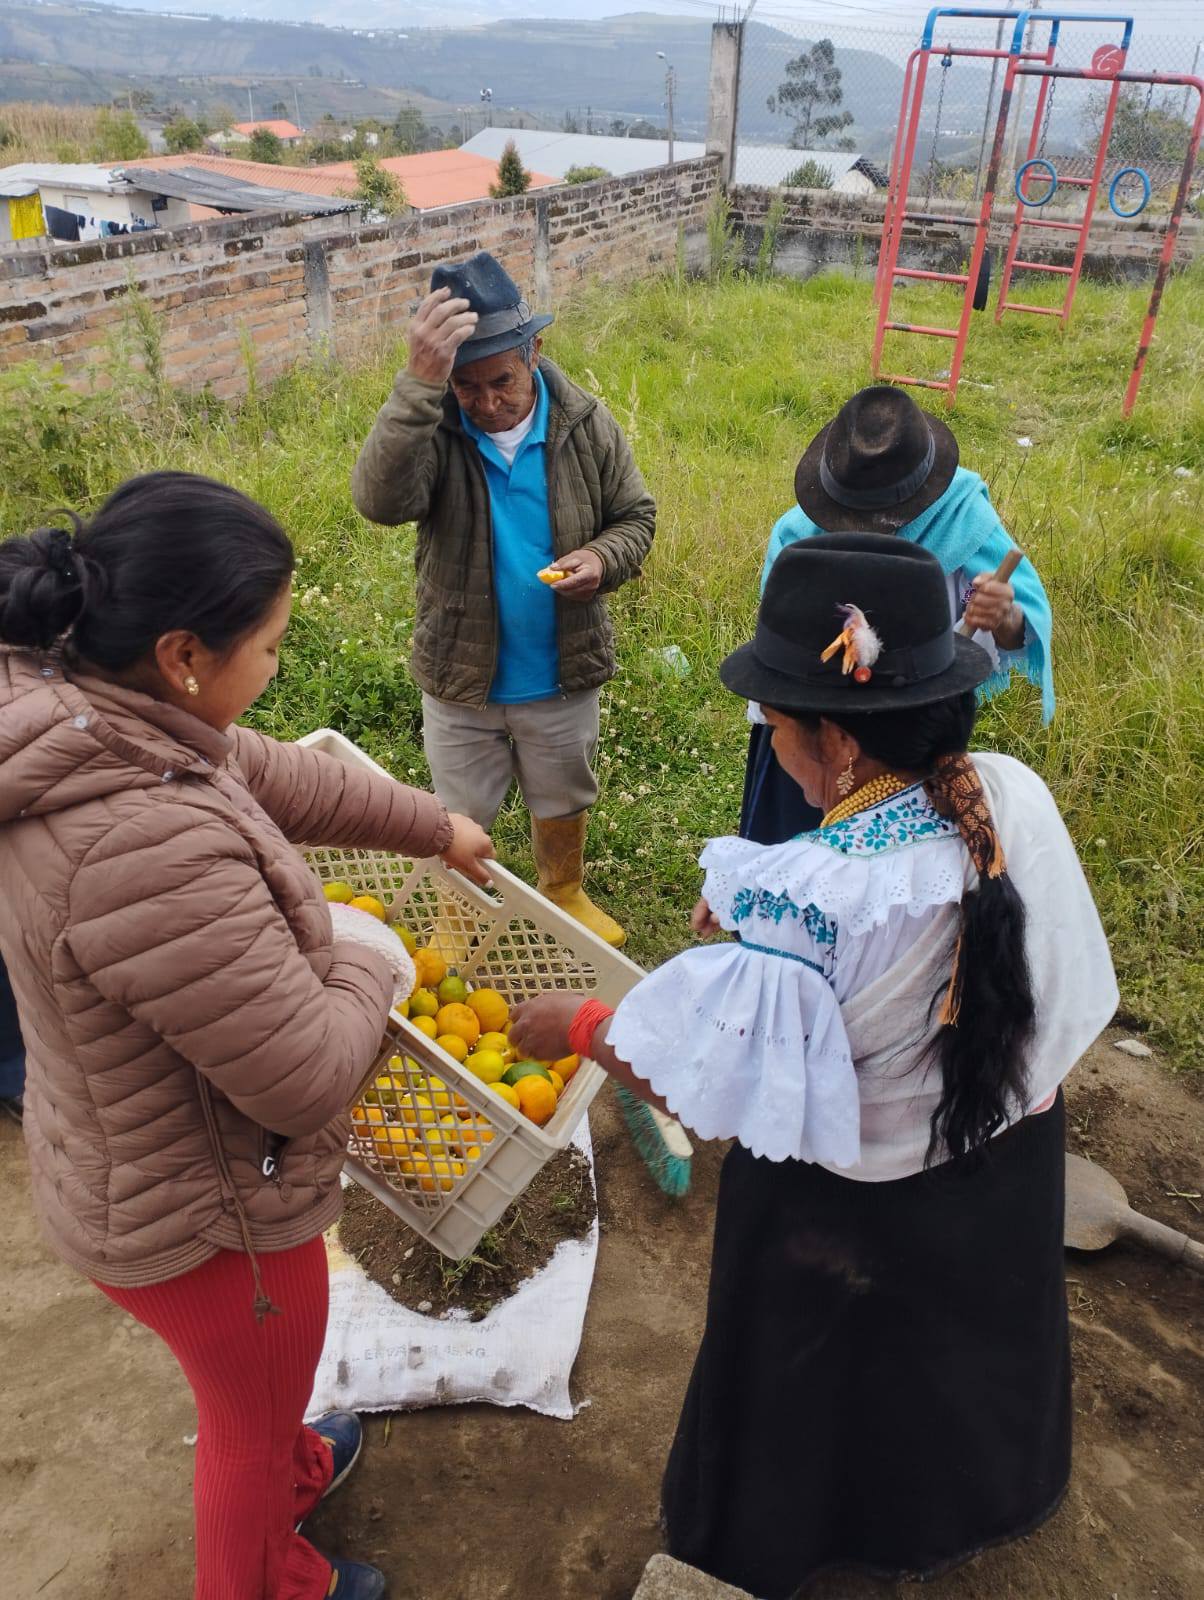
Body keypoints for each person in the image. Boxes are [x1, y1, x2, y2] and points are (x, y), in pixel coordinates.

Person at [511, 533, 1117, 1598]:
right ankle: (975, 1497)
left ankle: (794, 1532)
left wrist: (586, 1023)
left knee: (815, 1372)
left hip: (847, 1207)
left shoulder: (815, 896)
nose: (771, 737)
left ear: (835, 743)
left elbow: (709, 1074)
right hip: (1004, 1155)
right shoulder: (1006, 796)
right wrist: (767, 921)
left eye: (774, 722)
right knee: (957, 1354)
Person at [0, 472, 494, 1600]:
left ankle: (291, 1463)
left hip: (126, 1154)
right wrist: (370, 954)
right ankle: (270, 1579)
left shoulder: (86, 712)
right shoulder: (138, 844)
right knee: (242, 1423)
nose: (275, 664)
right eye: (268, 645)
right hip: (208, 1217)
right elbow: (305, 1077)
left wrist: (433, 827)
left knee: (260, 1407)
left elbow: (264, 770)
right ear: (183, 654)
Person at [351, 250, 656, 947]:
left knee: (563, 788)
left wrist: (600, 559)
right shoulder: (434, 426)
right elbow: (379, 502)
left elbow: (635, 517)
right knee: (459, 803)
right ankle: (458, 915)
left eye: (501, 382)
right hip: (462, 670)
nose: (487, 403)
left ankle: (564, 890)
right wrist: (418, 386)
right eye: (466, 386)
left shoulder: (585, 423)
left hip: (559, 667)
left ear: (534, 352)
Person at [741, 384, 1055, 845]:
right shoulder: (797, 537)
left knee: (900, 866)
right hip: (813, 733)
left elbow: (1019, 625)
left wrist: (1002, 615)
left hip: (909, 741)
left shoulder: (961, 518)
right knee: (793, 857)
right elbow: (778, 649)